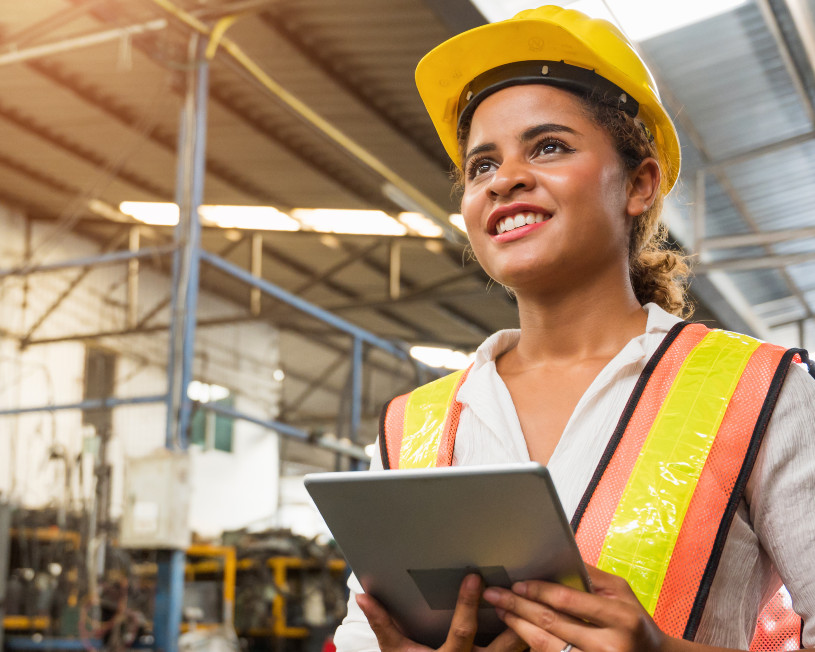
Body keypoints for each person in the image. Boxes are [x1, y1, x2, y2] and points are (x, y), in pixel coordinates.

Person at [333, 6, 815, 652]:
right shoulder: (407, 431)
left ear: (638, 184)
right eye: (481, 166)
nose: (503, 179)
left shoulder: (760, 392)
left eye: (548, 146)